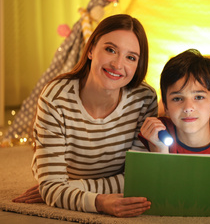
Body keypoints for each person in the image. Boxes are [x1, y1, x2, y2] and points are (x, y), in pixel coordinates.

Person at [13, 14, 158, 217]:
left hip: (72, 180)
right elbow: (52, 187)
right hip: (67, 173)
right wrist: (99, 202)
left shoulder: (145, 99)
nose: (117, 64)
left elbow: (135, 178)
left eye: (130, 57)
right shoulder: (55, 97)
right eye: (110, 50)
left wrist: (70, 187)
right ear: (91, 50)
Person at [139, 49, 210, 155]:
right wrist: (160, 149)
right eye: (177, 99)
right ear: (166, 106)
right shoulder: (158, 133)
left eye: (198, 97)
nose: (188, 108)